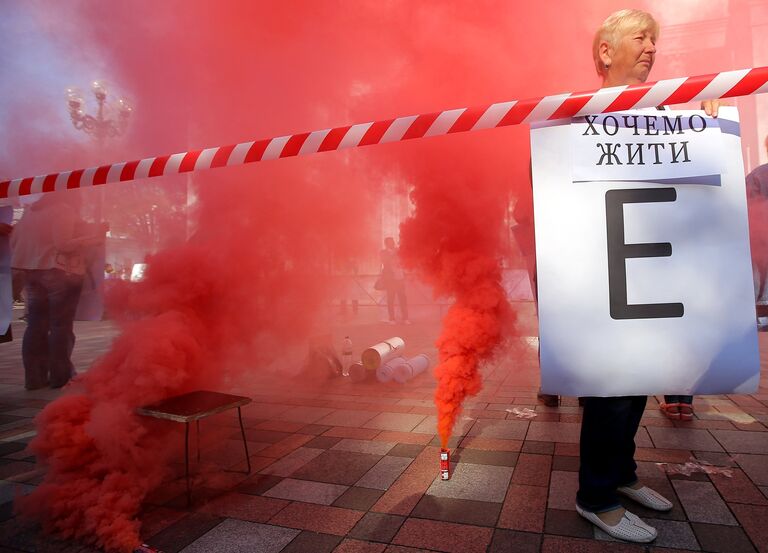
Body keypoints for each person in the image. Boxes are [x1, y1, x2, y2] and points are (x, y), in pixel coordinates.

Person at [575, 9, 723, 543]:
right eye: (640, 37)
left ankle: (621, 475)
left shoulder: (661, 114)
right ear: (606, 51)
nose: (651, 47)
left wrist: (708, 134)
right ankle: (595, 496)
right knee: (610, 386)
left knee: (640, 377)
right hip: (602, 274)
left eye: (655, 39)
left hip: (649, 269)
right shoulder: (574, 116)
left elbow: (685, 186)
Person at [11, 192, 105, 390]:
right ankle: (60, 377)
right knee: (60, 327)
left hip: (32, 272)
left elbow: (16, 239)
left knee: (35, 326)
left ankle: (34, 379)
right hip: (59, 272)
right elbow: (63, 244)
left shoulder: (30, 212)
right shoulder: (62, 210)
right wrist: (92, 239)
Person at [380, 237, 410, 324]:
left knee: (402, 299)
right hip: (390, 279)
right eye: (390, 242)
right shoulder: (383, 252)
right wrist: (393, 254)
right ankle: (392, 319)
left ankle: (405, 318)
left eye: (392, 242)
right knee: (391, 299)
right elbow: (385, 261)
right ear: (386, 244)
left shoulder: (398, 252)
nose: (392, 243)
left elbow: (404, 260)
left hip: (400, 278)